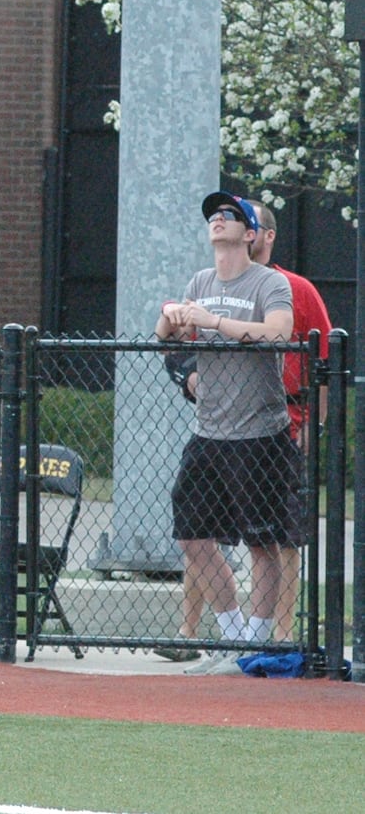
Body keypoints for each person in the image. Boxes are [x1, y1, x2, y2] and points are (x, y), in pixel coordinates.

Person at [155, 191, 301, 676]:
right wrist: (172, 318)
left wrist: (213, 321)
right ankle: (235, 638)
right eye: (214, 216)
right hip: (209, 432)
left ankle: (255, 647)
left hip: (260, 433)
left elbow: (280, 333)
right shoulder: (200, 280)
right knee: (193, 537)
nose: (218, 221)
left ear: (251, 234)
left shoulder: (269, 283)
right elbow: (166, 340)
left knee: (263, 544)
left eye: (230, 216)